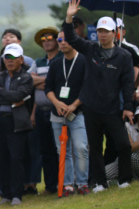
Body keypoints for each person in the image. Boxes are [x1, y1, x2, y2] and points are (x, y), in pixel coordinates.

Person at [64, 1, 135, 191]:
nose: (102, 34)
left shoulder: (124, 56)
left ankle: (125, 179)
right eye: (100, 31)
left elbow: (128, 84)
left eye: (106, 31)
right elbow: (71, 38)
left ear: (114, 33)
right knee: (94, 148)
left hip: (113, 109)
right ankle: (100, 182)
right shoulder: (91, 48)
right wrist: (69, 17)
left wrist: (128, 107)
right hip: (92, 107)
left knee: (123, 145)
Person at [0, 43, 34, 206]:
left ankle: (17, 195)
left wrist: (2, 92)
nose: (10, 60)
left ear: (21, 59)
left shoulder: (26, 77)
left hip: (17, 123)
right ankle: (6, 194)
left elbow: (20, 94)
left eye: (14, 57)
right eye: (7, 57)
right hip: (1, 121)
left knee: (16, 158)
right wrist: (10, 96)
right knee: (3, 159)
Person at [45, 30, 89, 196]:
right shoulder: (56, 63)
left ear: (74, 40)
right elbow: (48, 87)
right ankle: (68, 184)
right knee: (63, 150)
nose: (62, 43)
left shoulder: (84, 61)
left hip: (78, 113)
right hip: (57, 114)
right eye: (60, 40)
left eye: (66, 39)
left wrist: (74, 105)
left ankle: (83, 183)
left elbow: (87, 87)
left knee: (81, 147)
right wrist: (56, 102)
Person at [30, 26, 62, 195]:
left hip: (57, 110)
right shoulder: (38, 62)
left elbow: (60, 82)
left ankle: (63, 182)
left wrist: (41, 82)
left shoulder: (62, 59)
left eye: (50, 37)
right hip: (41, 111)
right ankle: (50, 186)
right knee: (45, 150)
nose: (47, 41)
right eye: (43, 39)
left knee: (60, 148)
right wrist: (49, 82)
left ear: (57, 40)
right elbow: (29, 80)